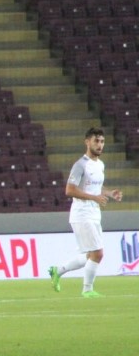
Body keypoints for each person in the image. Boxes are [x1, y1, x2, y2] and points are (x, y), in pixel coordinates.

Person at [48, 126, 123, 298]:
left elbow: (95, 186)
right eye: (96, 141)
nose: (100, 145)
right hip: (82, 214)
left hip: (94, 213)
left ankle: (57, 271)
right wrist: (94, 198)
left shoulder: (100, 164)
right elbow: (69, 190)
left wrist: (109, 193)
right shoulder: (80, 165)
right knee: (98, 253)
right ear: (87, 142)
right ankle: (87, 289)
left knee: (89, 254)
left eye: (102, 141)